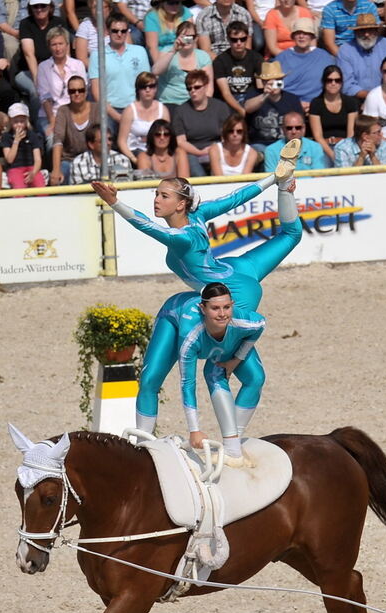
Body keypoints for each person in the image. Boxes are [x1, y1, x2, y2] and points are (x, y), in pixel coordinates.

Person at [91, 141, 302, 437]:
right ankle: (286, 183)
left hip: (230, 294)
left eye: (163, 195)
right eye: (156, 194)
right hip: (241, 270)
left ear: (180, 203)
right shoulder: (199, 215)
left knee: (215, 371)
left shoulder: (183, 237)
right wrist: (273, 179)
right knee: (292, 234)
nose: (156, 200)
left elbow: (148, 227)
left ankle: (216, 440)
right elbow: (236, 197)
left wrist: (115, 204)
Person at [177, 283, 266, 462]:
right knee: (213, 375)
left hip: (229, 349)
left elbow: (260, 326)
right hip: (178, 321)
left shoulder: (244, 320)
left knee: (256, 378)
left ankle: (232, 442)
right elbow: (187, 383)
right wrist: (194, 430)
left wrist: (236, 360)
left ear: (232, 304)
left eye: (227, 307)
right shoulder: (190, 336)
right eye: (215, 308)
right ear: (203, 308)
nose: (222, 314)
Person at [89, 11, 150, 135]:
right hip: (109, 110)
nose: (119, 34)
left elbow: (146, 84)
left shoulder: (140, 51)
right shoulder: (97, 55)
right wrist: (115, 115)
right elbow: (96, 91)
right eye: (115, 30)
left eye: (123, 31)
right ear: (107, 31)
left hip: (135, 108)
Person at [172, 69, 230, 176]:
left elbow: (226, 136)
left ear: (206, 86)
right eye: (189, 88)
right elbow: (181, 141)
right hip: (192, 153)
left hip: (217, 150)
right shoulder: (180, 111)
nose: (193, 91)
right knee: (193, 166)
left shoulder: (220, 107)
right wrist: (200, 153)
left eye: (197, 87)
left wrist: (213, 150)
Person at [15, 1, 64, 123]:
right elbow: (29, 54)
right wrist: (39, 81)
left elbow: (64, 50)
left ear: (50, 7)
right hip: (28, 71)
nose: (39, 9)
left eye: (43, 6)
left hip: (54, 68)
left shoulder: (59, 22)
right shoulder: (25, 24)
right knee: (37, 92)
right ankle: (38, 127)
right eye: (35, 6)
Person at [36, 26, 87, 144]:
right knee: (52, 140)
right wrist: (53, 123)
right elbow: (45, 98)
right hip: (51, 115)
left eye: (61, 43)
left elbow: (83, 93)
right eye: (54, 45)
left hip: (74, 113)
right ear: (49, 47)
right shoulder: (43, 67)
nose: (58, 48)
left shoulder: (78, 65)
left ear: (67, 45)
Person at [275, 18, 335, 110]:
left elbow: (332, 82)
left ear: (312, 36)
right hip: (288, 104)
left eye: (306, 33)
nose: (301, 36)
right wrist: (294, 103)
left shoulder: (324, 57)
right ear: (293, 36)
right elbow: (276, 85)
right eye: (298, 33)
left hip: (318, 104)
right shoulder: (282, 57)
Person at [337, 12, 386, 100]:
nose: (366, 34)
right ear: (355, 32)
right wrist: (372, 97)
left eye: (370, 30)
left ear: (377, 31)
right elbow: (347, 85)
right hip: (356, 100)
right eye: (362, 31)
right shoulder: (346, 50)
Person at [244, 61, 304, 152]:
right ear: (263, 82)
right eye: (268, 81)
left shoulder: (292, 99)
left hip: (286, 143)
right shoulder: (255, 95)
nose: (274, 84)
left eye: (277, 80)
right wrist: (265, 95)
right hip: (260, 144)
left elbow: (300, 125)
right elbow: (247, 108)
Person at [51, 74, 100, 185]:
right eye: (73, 91)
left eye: (80, 90)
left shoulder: (96, 109)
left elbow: (100, 137)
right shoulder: (63, 111)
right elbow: (58, 140)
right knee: (58, 180)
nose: (77, 94)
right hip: (69, 160)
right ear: (68, 93)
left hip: (93, 159)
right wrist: (56, 169)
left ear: (86, 91)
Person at [152, 19, 213, 107]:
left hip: (193, 103)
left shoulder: (203, 57)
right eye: (183, 37)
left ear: (196, 38)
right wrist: (173, 51)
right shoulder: (166, 51)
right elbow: (155, 71)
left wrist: (202, 106)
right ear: (177, 37)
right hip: (168, 102)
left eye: (190, 37)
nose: (186, 40)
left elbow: (208, 87)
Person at [117, 71, 170, 170]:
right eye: (143, 87)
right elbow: (122, 141)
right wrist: (134, 159)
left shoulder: (163, 110)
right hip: (134, 151)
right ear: (138, 90)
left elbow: (168, 136)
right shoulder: (129, 110)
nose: (147, 90)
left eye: (151, 86)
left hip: (156, 151)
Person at [309, 64, 359, 164]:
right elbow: (318, 136)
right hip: (323, 147)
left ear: (341, 83)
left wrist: (343, 153)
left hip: (345, 146)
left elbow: (351, 134)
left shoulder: (351, 102)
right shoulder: (316, 104)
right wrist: (332, 155)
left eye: (337, 80)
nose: (333, 83)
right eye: (329, 80)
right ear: (323, 82)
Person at [213, 21, 262, 116]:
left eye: (242, 39)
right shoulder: (220, 61)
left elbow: (260, 87)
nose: (239, 43)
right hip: (229, 101)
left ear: (247, 38)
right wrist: (241, 110)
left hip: (250, 99)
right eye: (234, 40)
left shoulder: (256, 58)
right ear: (228, 39)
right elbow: (226, 93)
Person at [264, 110, 328, 170]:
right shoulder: (271, 151)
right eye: (289, 128)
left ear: (304, 128)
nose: (294, 131)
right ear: (282, 129)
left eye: (298, 128)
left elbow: (319, 176)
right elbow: (272, 179)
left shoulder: (315, 147)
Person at [1, 101, 45, 187]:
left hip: (32, 167)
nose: (19, 125)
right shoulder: (7, 137)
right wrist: (16, 141)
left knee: (41, 188)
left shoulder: (32, 135)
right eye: (16, 122)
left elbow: (38, 159)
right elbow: (9, 159)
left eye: (22, 121)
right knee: (19, 189)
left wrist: (33, 172)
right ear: (10, 121)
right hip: (15, 168)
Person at [145, 0, 192, 64]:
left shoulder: (185, 12)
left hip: (182, 53)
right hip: (161, 55)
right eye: (171, 3)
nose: (175, 6)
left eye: (177, 2)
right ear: (162, 3)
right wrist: (159, 66)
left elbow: (189, 40)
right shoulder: (152, 17)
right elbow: (153, 47)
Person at [75, 0, 112, 69]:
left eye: (102, 7)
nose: (99, 11)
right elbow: (82, 59)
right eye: (95, 7)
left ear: (109, 9)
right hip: (94, 71)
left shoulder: (118, 25)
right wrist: (102, 70)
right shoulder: (85, 26)